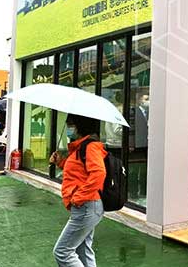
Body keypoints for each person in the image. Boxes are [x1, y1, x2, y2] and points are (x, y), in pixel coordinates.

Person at [49, 114, 106, 267]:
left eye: (71, 125)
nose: (69, 128)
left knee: (62, 252)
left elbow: (99, 173)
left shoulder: (90, 147)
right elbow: (78, 173)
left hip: (86, 205)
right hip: (86, 205)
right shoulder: (80, 147)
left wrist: (79, 197)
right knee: (83, 250)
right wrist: (60, 162)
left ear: (80, 126)